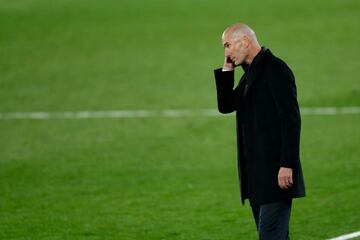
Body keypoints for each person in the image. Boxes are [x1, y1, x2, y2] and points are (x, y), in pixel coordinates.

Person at [214, 23, 306, 239]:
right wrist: (227, 70)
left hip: (277, 174)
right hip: (257, 176)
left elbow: (291, 120)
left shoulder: (275, 70)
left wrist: (287, 164)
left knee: (270, 235)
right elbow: (226, 105)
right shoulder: (250, 74)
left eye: (228, 45)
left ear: (245, 41)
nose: (226, 52)